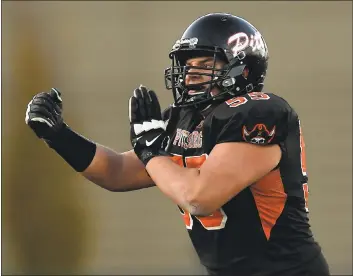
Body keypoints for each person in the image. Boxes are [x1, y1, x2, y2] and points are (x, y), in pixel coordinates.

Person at [25, 13, 330, 276]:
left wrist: (151, 151)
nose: (191, 72)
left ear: (243, 70)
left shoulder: (259, 113)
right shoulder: (185, 121)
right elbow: (117, 172)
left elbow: (199, 198)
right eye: (188, 64)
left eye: (205, 62)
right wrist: (59, 136)